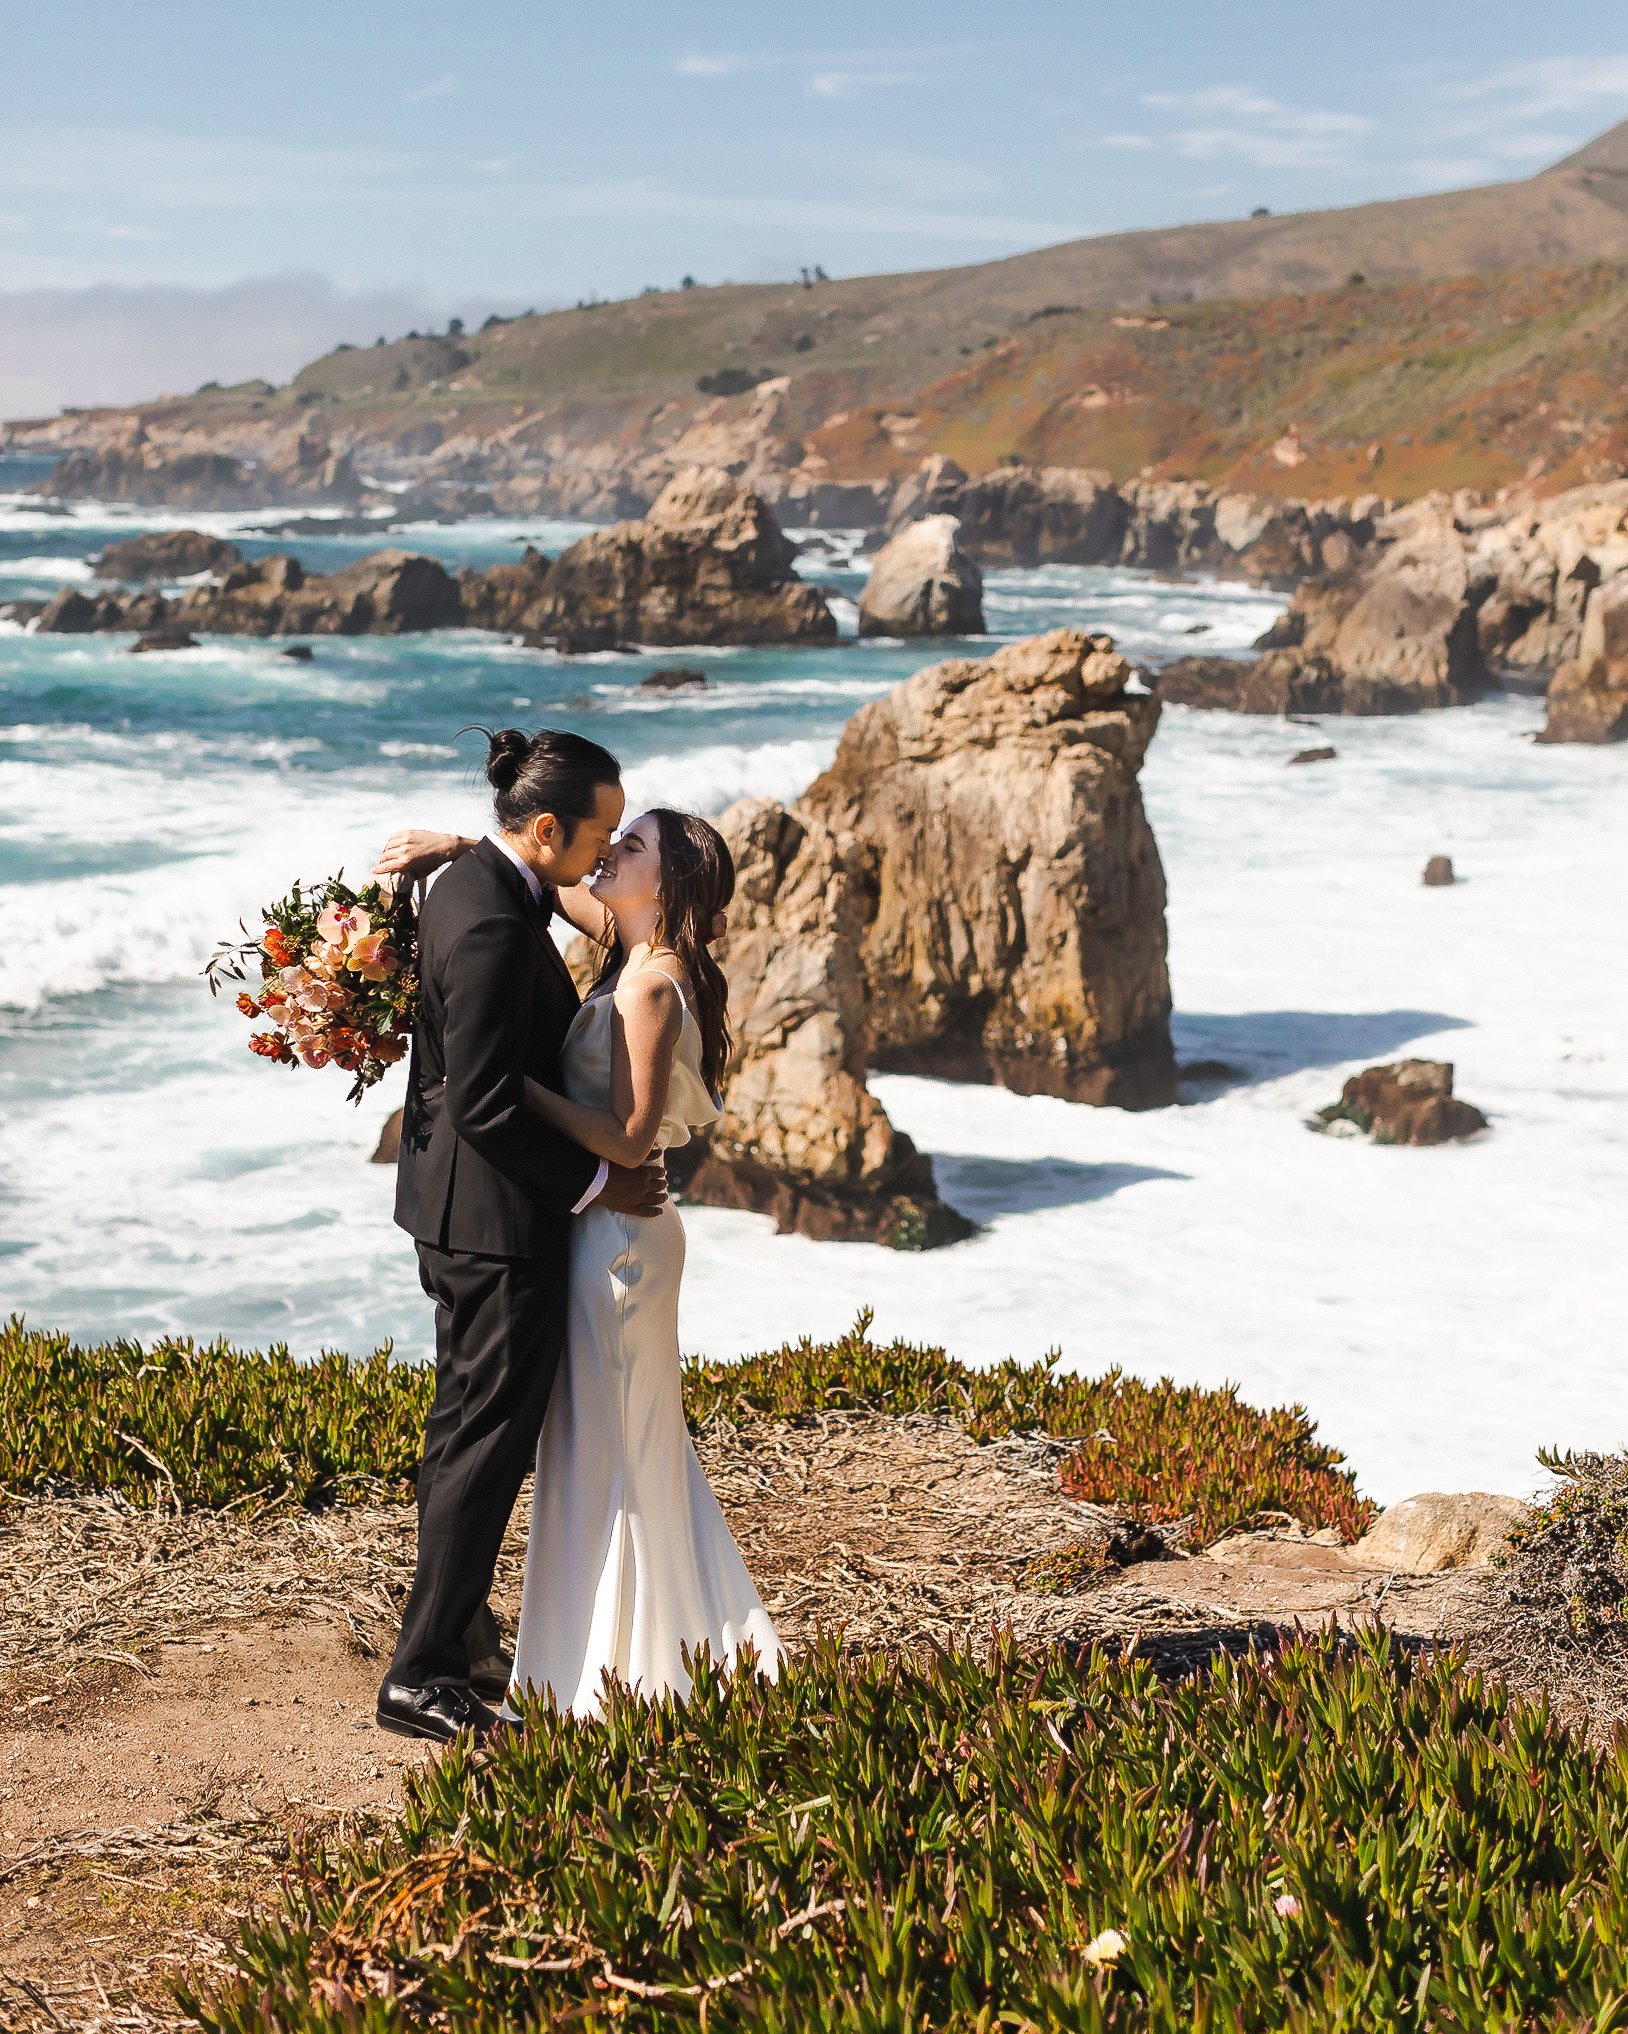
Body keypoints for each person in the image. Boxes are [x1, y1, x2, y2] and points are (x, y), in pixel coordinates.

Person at [373, 728, 666, 1745]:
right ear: (543, 829)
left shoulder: (468, 881)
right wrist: (602, 1182)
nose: (607, 849)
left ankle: (453, 1639)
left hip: (450, 1212)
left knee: (466, 1436)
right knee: (482, 1447)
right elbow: (487, 1106)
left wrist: (463, 840)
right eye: (598, 832)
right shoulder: (493, 925)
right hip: (496, 1226)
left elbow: (569, 904)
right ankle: (420, 1678)